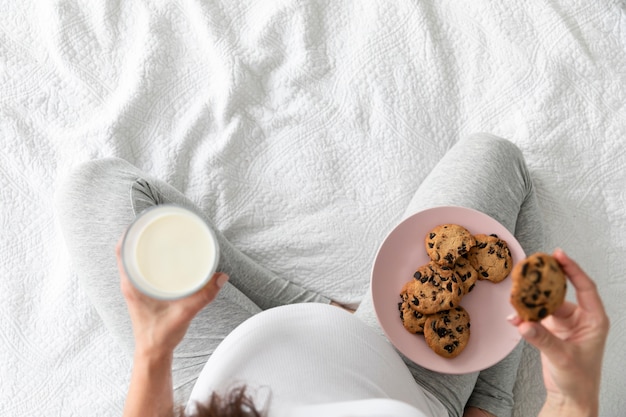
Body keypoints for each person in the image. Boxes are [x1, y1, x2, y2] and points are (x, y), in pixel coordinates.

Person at [55, 134, 609, 417]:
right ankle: (481, 392)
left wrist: (155, 351)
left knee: (97, 193)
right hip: (397, 376)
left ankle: (303, 309)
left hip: (222, 378)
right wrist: (573, 393)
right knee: (494, 158)